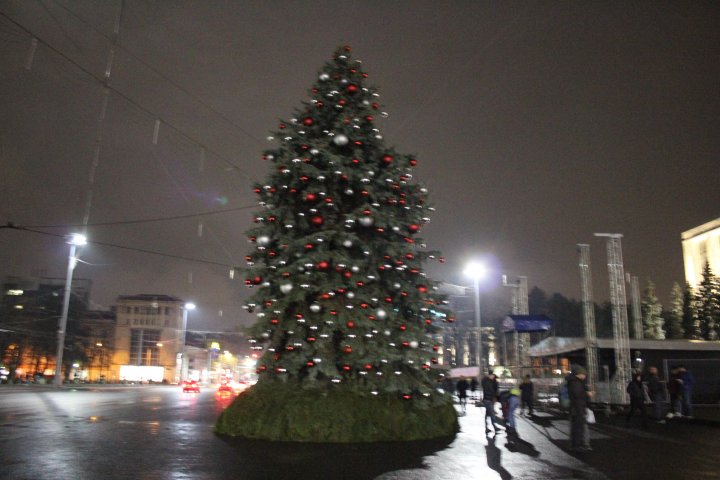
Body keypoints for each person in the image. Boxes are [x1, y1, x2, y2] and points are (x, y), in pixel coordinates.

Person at [567, 365, 592, 452]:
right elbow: (578, 395)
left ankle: (575, 445)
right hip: (578, 408)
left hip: (576, 408)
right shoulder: (576, 382)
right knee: (578, 427)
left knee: (576, 427)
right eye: (584, 374)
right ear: (579, 374)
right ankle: (578, 445)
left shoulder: (574, 381)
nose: (585, 376)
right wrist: (587, 394)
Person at [481, 370, 503, 434]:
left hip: (489, 399)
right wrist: (495, 396)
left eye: (493, 375)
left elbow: (495, 389)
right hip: (488, 399)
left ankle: (486, 428)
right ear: (489, 375)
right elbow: (491, 391)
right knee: (492, 413)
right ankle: (495, 427)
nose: (493, 376)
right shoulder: (487, 382)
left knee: (488, 414)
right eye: (491, 375)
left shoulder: (490, 381)